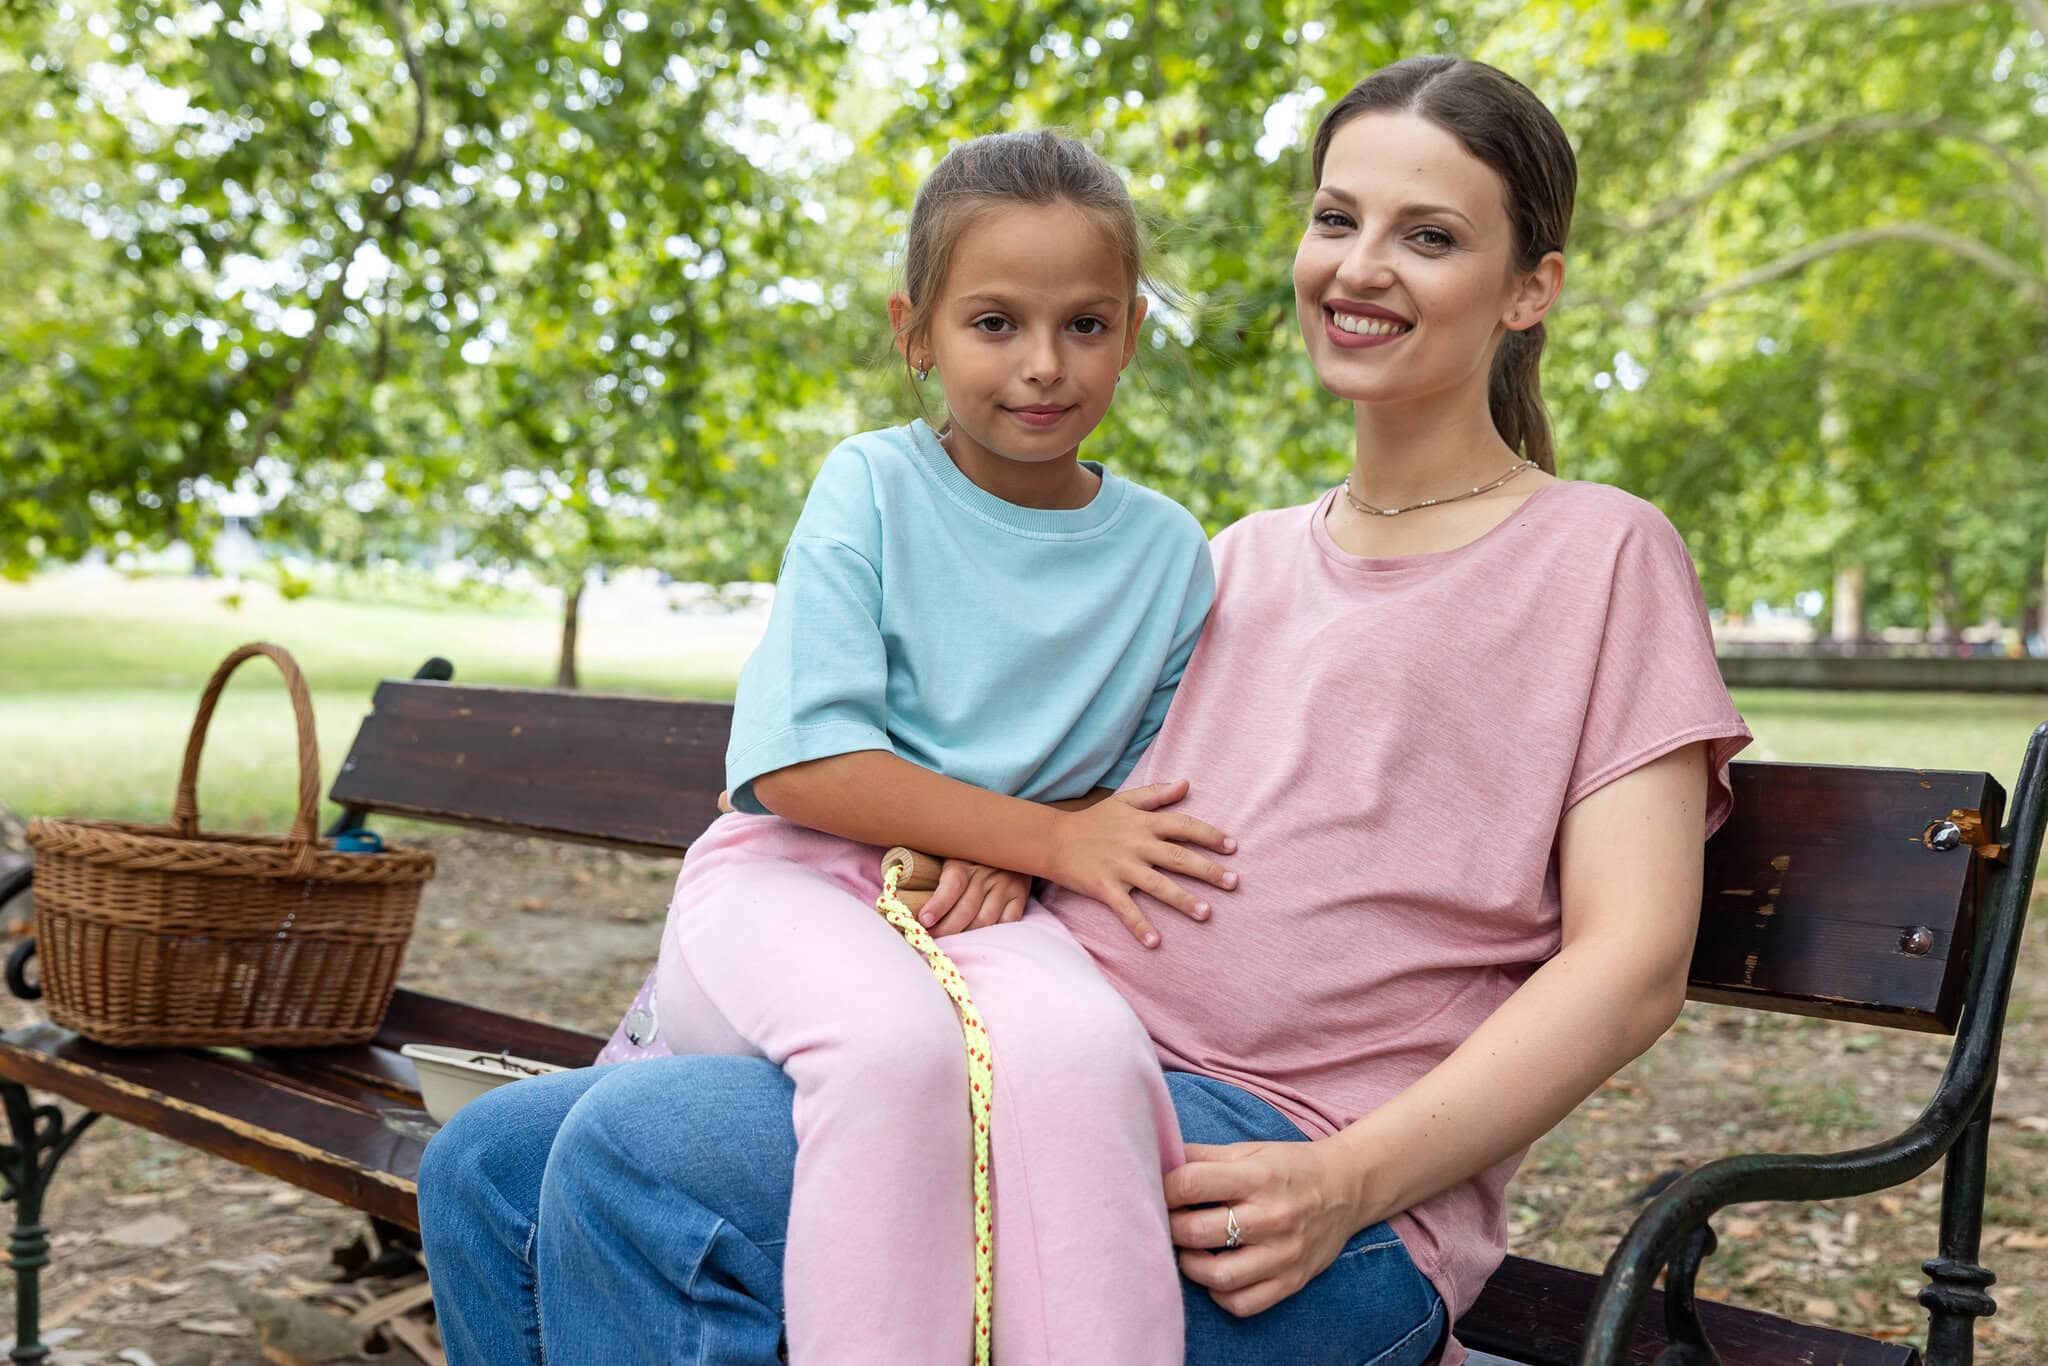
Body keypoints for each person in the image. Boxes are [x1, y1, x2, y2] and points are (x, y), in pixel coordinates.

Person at [420, 58, 1752, 1366]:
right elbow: (1078, 799)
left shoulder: (1601, 554)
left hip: (1283, 1168)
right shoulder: (1226, 562)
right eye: (1335, 218)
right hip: (1047, 1062)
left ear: (1532, 288)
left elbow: (1629, 962)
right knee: (488, 1164)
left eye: (1430, 236)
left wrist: (1351, 1179)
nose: (1359, 266)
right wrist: (996, 843)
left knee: (632, 1164)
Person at [455, 129, 1232, 1366]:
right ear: (913, 330)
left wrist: (1020, 857)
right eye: (992, 322)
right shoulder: (871, 485)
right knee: (891, 1051)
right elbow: (799, 764)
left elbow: (1122, 782)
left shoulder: (1166, 554)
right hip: (788, 881)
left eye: (1084, 324)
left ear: (1130, 330)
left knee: (1090, 1061)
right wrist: (1034, 836)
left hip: (988, 912)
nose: (1042, 365)